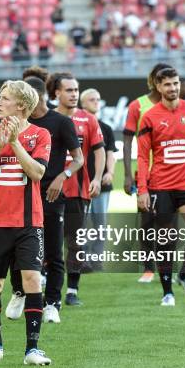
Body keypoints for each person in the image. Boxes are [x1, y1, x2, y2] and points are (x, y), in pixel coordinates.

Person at [0, 80, 53, 365]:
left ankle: (32, 348)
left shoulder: (40, 135)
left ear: (21, 105)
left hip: (30, 223)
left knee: (31, 279)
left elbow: (37, 172)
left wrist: (15, 143)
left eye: (4, 98)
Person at [5, 66, 83, 323]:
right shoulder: (15, 125)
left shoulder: (60, 122)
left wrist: (63, 176)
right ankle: (19, 292)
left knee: (53, 251)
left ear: (34, 97)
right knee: (17, 250)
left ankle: (52, 303)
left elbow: (78, 159)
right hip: (19, 195)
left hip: (50, 195)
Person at [137, 67, 185, 306]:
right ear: (158, 87)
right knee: (166, 241)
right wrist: (143, 189)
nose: (173, 88)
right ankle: (167, 292)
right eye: (167, 84)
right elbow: (141, 156)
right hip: (161, 187)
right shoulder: (149, 117)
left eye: (176, 83)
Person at [49, 72, 105, 306]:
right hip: (50, 189)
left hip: (78, 191)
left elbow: (100, 149)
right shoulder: (47, 119)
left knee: (75, 242)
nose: (74, 94)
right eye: (69, 90)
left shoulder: (88, 120)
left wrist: (98, 178)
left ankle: (72, 290)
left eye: (76, 90)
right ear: (56, 93)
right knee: (49, 242)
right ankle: (46, 286)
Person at [123, 63, 172, 283]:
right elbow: (127, 140)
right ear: (154, 81)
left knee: (169, 223)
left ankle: (166, 264)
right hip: (146, 174)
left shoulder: (176, 106)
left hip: (173, 174)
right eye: (161, 78)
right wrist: (126, 173)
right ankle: (148, 267)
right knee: (146, 222)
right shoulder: (138, 105)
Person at [80, 88, 117, 267]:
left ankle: (96, 258)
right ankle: (83, 258)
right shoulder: (74, 124)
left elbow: (110, 153)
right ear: (83, 103)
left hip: (100, 182)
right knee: (82, 223)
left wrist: (109, 172)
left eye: (98, 99)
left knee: (100, 223)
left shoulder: (106, 128)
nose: (96, 102)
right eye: (92, 99)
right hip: (79, 182)